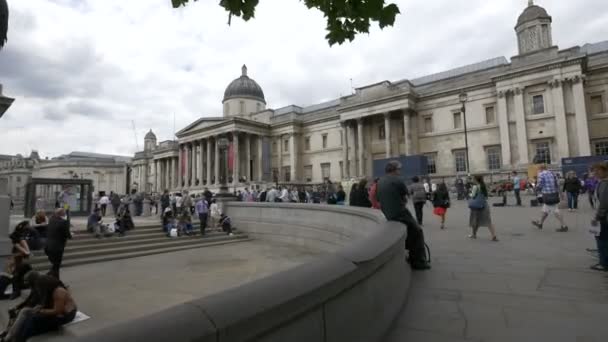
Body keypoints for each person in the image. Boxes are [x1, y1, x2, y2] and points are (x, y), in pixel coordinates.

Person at [376, 160, 430, 270]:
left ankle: (411, 254)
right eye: (399, 169)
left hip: (388, 214)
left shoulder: (380, 181)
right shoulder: (397, 181)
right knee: (417, 232)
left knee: (411, 232)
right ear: (394, 170)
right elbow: (406, 196)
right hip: (399, 213)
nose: (400, 171)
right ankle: (418, 262)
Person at [4, 273, 77, 341]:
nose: (38, 289)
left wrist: (40, 311)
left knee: (32, 319)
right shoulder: (48, 292)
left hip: (66, 316)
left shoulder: (59, 292)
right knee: (26, 312)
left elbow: (57, 311)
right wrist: (39, 308)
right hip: (58, 314)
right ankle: (11, 336)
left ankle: (19, 339)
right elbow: (45, 305)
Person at [532, 165, 568, 232]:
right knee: (545, 210)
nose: (538, 171)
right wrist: (561, 194)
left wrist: (535, 189)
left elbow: (539, 185)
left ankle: (564, 226)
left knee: (556, 210)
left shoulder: (541, 174)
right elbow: (557, 184)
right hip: (554, 194)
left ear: (540, 169)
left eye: (538, 170)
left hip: (547, 195)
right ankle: (540, 223)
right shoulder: (552, 173)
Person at [468, 175, 498, 241]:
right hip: (484, 205)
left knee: (475, 220)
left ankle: (474, 235)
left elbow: (472, 196)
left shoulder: (475, 187)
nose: (472, 180)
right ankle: (493, 236)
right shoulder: (483, 186)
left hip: (476, 206)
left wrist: (469, 193)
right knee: (488, 221)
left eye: (473, 179)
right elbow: (487, 196)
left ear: (476, 180)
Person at [590, 162, 608, 271]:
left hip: (604, 218)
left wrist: (597, 217)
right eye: (594, 170)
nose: (595, 173)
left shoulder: (605, 184)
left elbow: (604, 204)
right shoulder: (602, 182)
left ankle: (604, 263)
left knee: (602, 240)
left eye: (598, 170)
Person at [44, 209, 72, 280]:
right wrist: (70, 235)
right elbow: (67, 234)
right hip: (57, 247)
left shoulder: (51, 220)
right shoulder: (64, 222)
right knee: (56, 265)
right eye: (64, 213)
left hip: (48, 246)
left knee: (55, 265)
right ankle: (56, 282)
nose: (65, 215)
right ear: (62, 214)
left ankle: (53, 279)